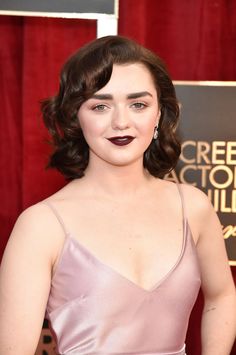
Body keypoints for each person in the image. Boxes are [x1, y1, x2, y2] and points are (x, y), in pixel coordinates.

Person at [0, 35, 235, 355]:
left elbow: (222, 296)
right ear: (75, 118)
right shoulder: (42, 225)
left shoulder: (192, 206)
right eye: (100, 106)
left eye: (138, 104)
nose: (121, 122)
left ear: (159, 115)